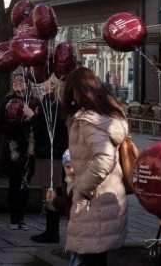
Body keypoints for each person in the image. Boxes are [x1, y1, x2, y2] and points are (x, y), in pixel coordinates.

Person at [61, 67, 130, 266]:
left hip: (94, 200)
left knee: (89, 256)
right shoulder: (104, 115)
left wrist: (82, 187)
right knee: (96, 256)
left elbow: (104, 157)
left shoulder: (88, 121)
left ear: (76, 91)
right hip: (104, 199)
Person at [29, 74, 69, 244]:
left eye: (44, 79)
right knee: (49, 189)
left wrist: (32, 116)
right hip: (51, 153)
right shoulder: (51, 101)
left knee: (50, 190)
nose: (40, 81)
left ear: (52, 85)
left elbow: (46, 130)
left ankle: (52, 232)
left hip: (49, 153)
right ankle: (51, 230)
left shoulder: (51, 102)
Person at [0, 72, 33, 230]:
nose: (18, 82)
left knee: (25, 183)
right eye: (16, 80)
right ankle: (14, 218)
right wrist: (14, 125)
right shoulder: (6, 100)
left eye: (22, 80)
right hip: (13, 148)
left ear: (27, 83)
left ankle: (22, 218)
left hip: (28, 149)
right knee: (14, 183)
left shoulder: (33, 101)